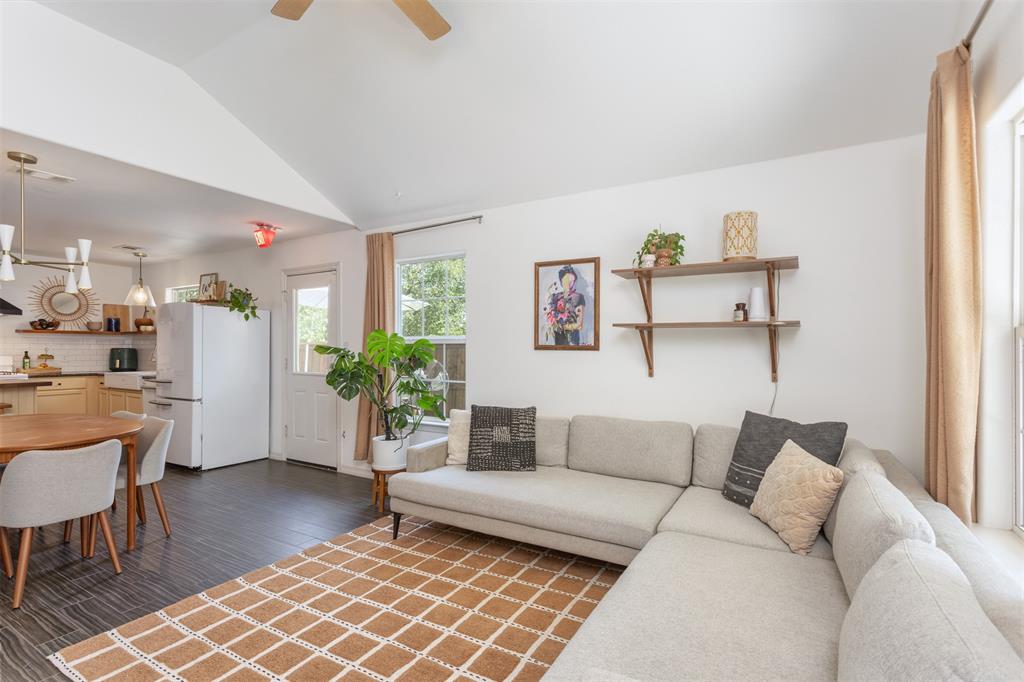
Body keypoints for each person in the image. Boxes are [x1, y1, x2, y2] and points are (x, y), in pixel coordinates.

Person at [544, 265, 587, 345]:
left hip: (572, 338)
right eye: (566, 281)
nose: (570, 284)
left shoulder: (578, 297)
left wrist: (561, 326)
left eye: (572, 281)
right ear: (561, 281)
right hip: (558, 337)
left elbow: (579, 325)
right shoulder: (555, 297)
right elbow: (551, 320)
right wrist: (554, 324)